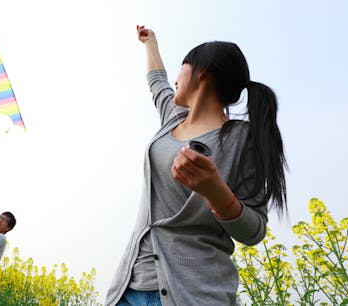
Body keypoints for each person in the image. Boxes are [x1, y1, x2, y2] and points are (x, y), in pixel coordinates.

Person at [105, 26, 287, 306]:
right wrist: (150, 43)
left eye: (182, 68)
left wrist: (215, 190)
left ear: (202, 72)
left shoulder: (242, 140)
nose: (176, 79)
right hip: (130, 286)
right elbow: (157, 81)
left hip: (196, 293)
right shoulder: (173, 118)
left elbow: (254, 231)